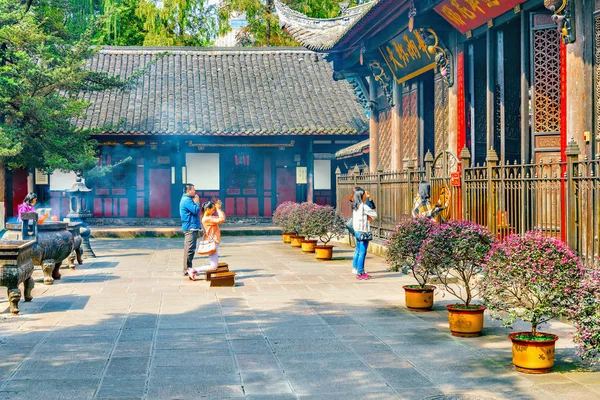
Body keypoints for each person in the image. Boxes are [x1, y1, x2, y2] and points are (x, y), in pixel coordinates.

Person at [194, 200, 226, 276]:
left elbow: (222, 217)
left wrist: (219, 209)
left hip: (214, 241)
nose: (214, 211)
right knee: (213, 266)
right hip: (213, 242)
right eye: (213, 209)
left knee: (214, 266)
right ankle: (194, 270)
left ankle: (196, 271)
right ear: (208, 209)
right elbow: (221, 219)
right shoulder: (206, 219)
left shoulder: (208, 217)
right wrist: (218, 209)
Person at [351, 187, 377, 280]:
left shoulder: (355, 206)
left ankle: (356, 268)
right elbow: (374, 214)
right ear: (361, 196)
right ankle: (360, 272)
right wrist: (369, 218)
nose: (366, 195)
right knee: (362, 252)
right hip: (363, 232)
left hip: (357, 232)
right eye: (365, 194)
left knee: (358, 251)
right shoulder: (363, 206)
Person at [180, 184, 201, 280]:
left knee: (190, 249)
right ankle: (187, 269)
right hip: (190, 227)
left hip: (192, 226)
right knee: (189, 249)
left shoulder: (187, 199)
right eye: (193, 190)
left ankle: (188, 268)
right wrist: (197, 202)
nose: (195, 192)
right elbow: (195, 210)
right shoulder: (186, 200)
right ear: (188, 190)